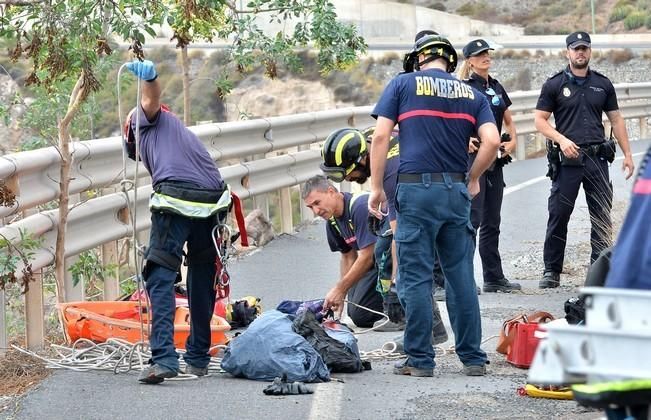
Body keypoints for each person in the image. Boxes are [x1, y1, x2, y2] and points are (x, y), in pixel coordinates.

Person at [367, 34, 499, 377]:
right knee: (460, 278)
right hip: (454, 190)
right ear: (451, 62)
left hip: (416, 191)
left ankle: (421, 360)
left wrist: (377, 187)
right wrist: (472, 177)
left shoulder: (402, 84)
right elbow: (493, 141)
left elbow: (380, 137)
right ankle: (472, 358)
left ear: (418, 59)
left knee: (416, 277)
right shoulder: (472, 93)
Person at [123, 59, 231, 384]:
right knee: (201, 275)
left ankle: (164, 360)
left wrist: (151, 78)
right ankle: (197, 358)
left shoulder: (147, 121)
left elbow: (150, 98)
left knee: (160, 272)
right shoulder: (180, 133)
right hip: (214, 199)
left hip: (177, 197)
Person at [319, 127, 449, 344]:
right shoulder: (375, 142)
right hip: (436, 186)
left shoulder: (391, 169)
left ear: (361, 161)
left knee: (408, 262)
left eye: (346, 173)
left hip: (436, 196)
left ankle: (425, 332)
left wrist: (397, 282)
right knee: (387, 248)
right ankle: (424, 325)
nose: (348, 178)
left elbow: (401, 235)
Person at [534, 31, 635, 289]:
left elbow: (616, 119)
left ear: (590, 51)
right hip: (568, 160)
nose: (581, 53)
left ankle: (599, 271)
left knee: (601, 214)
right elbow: (539, 120)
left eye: (585, 49)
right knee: (559, 214)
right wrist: (561, 140)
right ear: (568, 52)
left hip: (597, 160)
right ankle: (551, 270)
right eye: (576, 49)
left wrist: (628, 154)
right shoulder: (554, 84)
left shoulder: (602, 84)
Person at [458, 39, 521, 293]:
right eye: (479, 54)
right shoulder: (463, 88)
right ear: (469, 61)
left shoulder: (495, 86)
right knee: (472, 220)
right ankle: (464, 279)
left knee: (492, 220)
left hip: (496, 159)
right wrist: (465, 139)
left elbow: (508, 119)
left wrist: (513, 140)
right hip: (475, 160)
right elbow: (454, 121)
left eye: (487, 53)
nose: (486, 57)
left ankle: (493, 277)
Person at [302, 175, 384, 328]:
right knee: (356, 311)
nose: (316, 211)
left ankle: (400, 308)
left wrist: (340, 289)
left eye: (317, 203)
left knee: (361, 315)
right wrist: (342, 296)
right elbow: (348, 256)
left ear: (331, 191)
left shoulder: (359, 206)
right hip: (373, 262)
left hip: (390, 259)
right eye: (310, 207)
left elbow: (367, 256)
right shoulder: (332, 220)